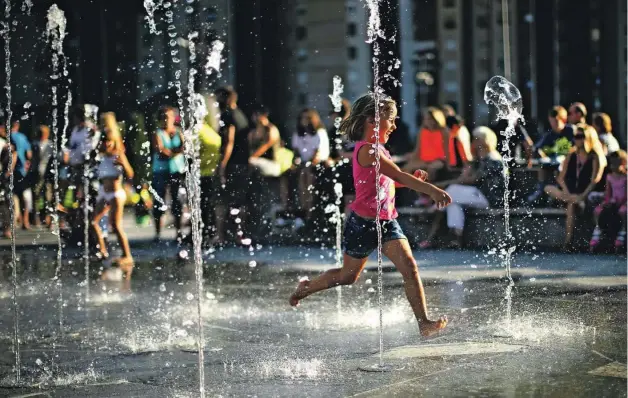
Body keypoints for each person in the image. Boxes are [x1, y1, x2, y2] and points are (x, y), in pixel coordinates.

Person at [289, 93, 451, 337]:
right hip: (362, 224)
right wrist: (433, 189)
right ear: (371, 120)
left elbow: (390, 181)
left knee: (410, 268)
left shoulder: (381, 151)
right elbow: (397, 175)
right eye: (392, 119)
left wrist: (412, 182)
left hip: (387, 222)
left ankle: (424, 323)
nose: (395, 125)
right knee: (347, 276)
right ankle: (306, 288)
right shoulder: (367, 151)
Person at [420, 127, 505, 248]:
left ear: (485, 141)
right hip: (478, 195)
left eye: (477, 139)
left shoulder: (493, 159)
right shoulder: (479, 159)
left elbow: (473, 179)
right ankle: (455, 237)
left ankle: (433, 208)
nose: (474, 142)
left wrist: (445, 183)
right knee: (453, 204)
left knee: (452, 190)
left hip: (489, 197)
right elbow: (466, 175)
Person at [544, 124, 605, 248]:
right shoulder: (571, 154)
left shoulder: (594, 157)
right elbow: (560, 177)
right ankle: (569, 241)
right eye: (576, 136)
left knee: (571, 206)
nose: (578, 139)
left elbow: (595, 181)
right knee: (548, 188)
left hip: (586, 194)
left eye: (581, 136)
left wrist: (582, 196)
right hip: (570, 193)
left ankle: (568, 242)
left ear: (589, 138)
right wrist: (568, 194)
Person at [92, 112, 134, 276]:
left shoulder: (118, 155)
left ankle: (127, 255)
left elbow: (130, 174)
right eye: (104, 142)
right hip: (104, 192)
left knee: (116, 226)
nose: (107, 145)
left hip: (116, 193)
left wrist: (123, 163)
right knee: (93, 222)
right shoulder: (101, 157)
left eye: (109, 142)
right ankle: (102, 250)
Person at [214, 86, 250, 245]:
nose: (216, 102)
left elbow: (229, 141)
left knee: (222, 200)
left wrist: (222, 165)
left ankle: (220, 236)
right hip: (242, 162)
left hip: (232, 164)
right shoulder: (241, 114)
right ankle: (239, 235)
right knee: (238, 201)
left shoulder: (228, 115)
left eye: (218, 98)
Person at [526, 106, 574, 204]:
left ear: (563, 120)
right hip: (553, 161)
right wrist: (538, 154)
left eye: (556, 121)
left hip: (568, 161)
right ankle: (541, 189)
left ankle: (557, 190)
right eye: (552, 122)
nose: (554, 125)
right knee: (543, 165)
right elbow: (537, 147)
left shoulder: (570, 131)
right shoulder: (550, 134)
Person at [290, 108, 330, 227]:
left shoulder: (319, 133)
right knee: (292, 174)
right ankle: (301, 207)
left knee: (306, 175)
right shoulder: (298, 134)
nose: (304, 121)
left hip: (319, 163)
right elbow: (296, 152)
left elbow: (318, 153)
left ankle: (308, 209)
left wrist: (308, 164)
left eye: (307, 118)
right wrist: (295, 163)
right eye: (302, 118)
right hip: (304, 163)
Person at [151, 106, 186, 242]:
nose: (166, 120)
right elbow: (160, 152)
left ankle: (178, 232)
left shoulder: (178, 132)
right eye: (163, 117)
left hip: (176, 170)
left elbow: (184, 148)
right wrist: (177, 151)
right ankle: (158, 233)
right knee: (159, 200)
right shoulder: (157, 133)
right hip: (160, 171)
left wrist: (170, 152)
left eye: (168, 117)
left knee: (177, 200)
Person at [590, 150, 627, 251]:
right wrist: (607, 201)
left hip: (624, 202)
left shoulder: (626, 177)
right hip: (613, 201)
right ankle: (597, 230)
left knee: (623, 211)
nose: (614, 166)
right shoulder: (609, 177)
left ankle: (623, 230)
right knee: (598, 210)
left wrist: (623, 202)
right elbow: (608, 193)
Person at [403, 107, 449, 181]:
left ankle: (428, 189)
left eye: (430, 119)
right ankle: (414, 191)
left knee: (431, 169)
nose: (428, 121)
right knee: (406, 169)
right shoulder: (422, 131)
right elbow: (418, 148)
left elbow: (447, 150)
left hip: (439, 160)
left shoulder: (444, 131)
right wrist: (412, 157)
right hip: (424, 160)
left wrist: (448, 164)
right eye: (426, 119)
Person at [198, 110, 221, 243]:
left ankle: (204, 231)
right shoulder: (209, 131)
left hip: (202, 173)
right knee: (209, 204)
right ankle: (211, 231)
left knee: (203, 205)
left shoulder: (198, 132)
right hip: (212, 172)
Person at [9, 120, 33, 229]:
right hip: (22, 170)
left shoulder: (8, 137)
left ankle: (14, 221)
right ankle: (25, 221)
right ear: (17, 126)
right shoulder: (22, 137)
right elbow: (29, 154)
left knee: (13, 196)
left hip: (11, 170)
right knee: (24, 196)